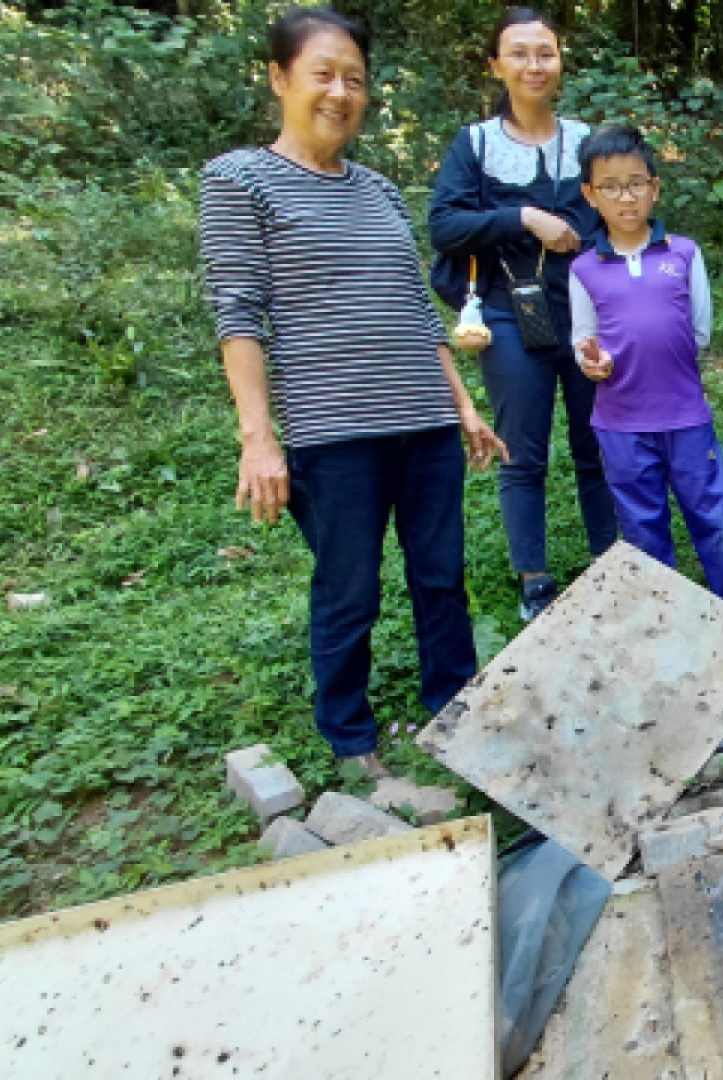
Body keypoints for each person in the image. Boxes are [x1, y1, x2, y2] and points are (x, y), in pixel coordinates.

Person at [198, 7, 507, 778]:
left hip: (425, 422)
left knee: (441, 577)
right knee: (349, 589)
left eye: (355, 79)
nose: (340, 92)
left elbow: (416, 309)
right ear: (279, 78)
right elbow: (238, 315)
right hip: (332, 432)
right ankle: (349, 738)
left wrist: (462, 406)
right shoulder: (239, 180)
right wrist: (258, 438)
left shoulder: (379, 191)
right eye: (323, 75)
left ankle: (456, 712)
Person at [428, 6, 616, 621]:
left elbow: (623, 212)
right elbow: (444, 225)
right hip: (509, 314)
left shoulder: (586, 142)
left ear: (559, 62)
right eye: (519, 53)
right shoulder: (476, 143)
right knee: (523, 451)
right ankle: (535, 579)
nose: (534, 65)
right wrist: (523, 219)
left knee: (597, 445)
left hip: (586, 312)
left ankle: (611, 562)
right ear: (496, 65)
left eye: (545, 53)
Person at [568, 125, 723, 613]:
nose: (625, 197)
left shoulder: (683, 253)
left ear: (654, 187)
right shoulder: (584, 269)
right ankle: (661, 620)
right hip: (620, 424)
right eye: (610, 186)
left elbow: (699, 331)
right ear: (590, 194)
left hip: (685, 416)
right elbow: (582, 339)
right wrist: (592, 362)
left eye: (635, 183)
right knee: (642, 528)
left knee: (712, 519)